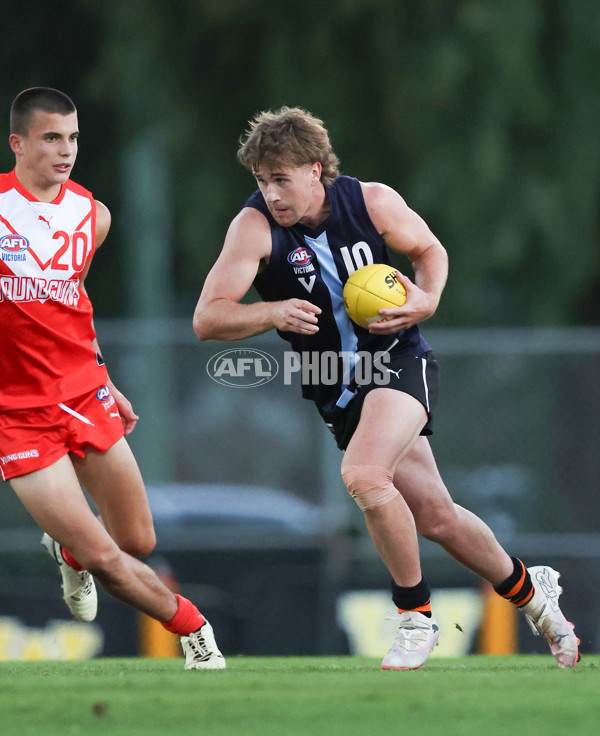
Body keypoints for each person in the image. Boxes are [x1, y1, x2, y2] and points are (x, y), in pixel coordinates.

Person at [193, 106, 579, 670]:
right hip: (336, 388)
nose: (271, 193)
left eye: (281, 178)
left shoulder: (370, 202)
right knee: (438, 517)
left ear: (316, 169)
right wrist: (270, 311)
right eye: (260, 180)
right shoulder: (253, 227)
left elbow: (430, 252)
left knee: (364, 475)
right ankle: (534, 594)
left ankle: (414, 617)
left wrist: (425, 299)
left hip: (398, 361)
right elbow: (208, 318)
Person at [0, 87, 224, 670]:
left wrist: (107, 379)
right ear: (17, 143)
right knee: (104, 555)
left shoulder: (91, 215)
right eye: (52, 138)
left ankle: (66, 553)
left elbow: (73, 304)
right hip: (16, 414)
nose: (66, 150)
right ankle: (195, 630)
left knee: (136, 543)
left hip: (82, 391)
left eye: (73, 138)